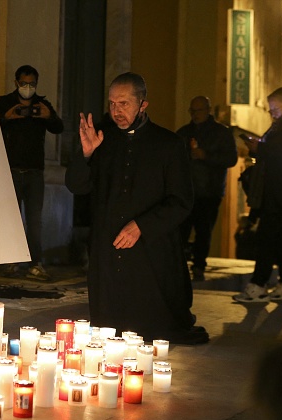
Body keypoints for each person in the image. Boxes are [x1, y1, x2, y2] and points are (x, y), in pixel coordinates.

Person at [65, 72, 209, 345]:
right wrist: (85, 154)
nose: (116, 111)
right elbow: (77, 186)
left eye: (124, 104)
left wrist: (142, 225)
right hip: (108, 247)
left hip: (150, 249)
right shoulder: (102, 140)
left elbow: (181, 201)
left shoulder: (168, 144)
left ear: (143, 104)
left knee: (150, 326)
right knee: (109, 329)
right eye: (111, 104)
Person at [233, 87, 282, 302]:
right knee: (279, 236)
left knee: (267, 237)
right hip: (281, 190)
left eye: (274, 108)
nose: (271, 113)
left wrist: (260, 148)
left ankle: (258, 285)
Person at [0, 65, 64, 281]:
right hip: (11, 170)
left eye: (32, 84)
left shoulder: (41, 104)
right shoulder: (5, 102)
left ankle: (35, 263)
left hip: (35, 172)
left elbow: (58, 127)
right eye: (24, 83)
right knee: (11, 219)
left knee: (34, 221)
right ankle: (10, 261)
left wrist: (48, 116)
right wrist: (7, 118)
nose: (28, 87)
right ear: (16, 82)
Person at [177, 96, 237, 281]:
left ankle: (199, 265)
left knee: (203, 230)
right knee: (180, 230)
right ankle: (179, 265)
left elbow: (230, 159)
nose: (195, 115)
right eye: (192, 111)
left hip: (209, 191)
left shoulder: (221, 133)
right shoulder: (184, 132)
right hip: (186, 190)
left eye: (199, 110)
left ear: (208, 110)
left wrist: (206, 155)